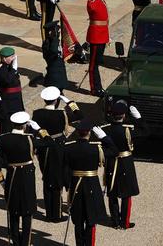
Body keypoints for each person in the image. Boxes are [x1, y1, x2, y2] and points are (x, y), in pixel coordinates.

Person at [0, 111, 53, 245]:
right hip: (27, 177)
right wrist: (39, 129)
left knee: (13, 210)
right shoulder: (30, 138)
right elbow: (49, 142)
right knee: (27, 211)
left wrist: (1, 180)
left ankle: (15, 242)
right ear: (25, 125)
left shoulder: (4, 139)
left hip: (12, 176)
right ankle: (26, 242)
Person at [64, 118, 118, 246]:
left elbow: (64, 168)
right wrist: (104, 138)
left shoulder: (69, 148)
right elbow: (114, 151)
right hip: (91, 186)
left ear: (77, 133)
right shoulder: (96, 149)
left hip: (76, 185)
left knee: (78, 221)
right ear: (89, 133)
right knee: (90, 220)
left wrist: (67, 185)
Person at [101, 101, 148, 230]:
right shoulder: (127, 130)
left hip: (111, 162)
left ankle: (115, 221)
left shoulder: (106, 129)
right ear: (124, 115)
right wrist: (138, 118)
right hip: (126, 162)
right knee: (126, 194)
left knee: (112, 192)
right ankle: (124, 222)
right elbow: (145, 132)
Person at [32, 87, 71, 222]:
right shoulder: (61, 113)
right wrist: (69, 102)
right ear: (56, 100)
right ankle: (57, 214)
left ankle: (50, 212)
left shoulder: (36, 113)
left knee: (47, 178)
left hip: (43, 148)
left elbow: (34, 132)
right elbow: (79, 116)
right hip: (58, 148)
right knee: (57, 179)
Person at [84, 0, 110, 97]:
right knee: (93, 66)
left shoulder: (100, 0)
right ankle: (95, 88)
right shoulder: (93, 1)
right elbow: (93, 7)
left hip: (101, 36)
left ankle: (98, 86)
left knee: (97, 63)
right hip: (95, 36)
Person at [0, 47, 24, 119]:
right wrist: (14, 69)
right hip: (8, 100)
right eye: (11, 57)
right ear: (4, 59)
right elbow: (7, 80)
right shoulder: (0, 69)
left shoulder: (10, 66)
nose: (13, 59)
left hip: (17, 98)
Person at [42, 21, 68, 92]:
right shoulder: (48, 43)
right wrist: (54, 38)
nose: (59, 32)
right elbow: (53, 51)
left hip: (60, 70)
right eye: (57, 30)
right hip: (54, 73)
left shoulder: (56, 41)